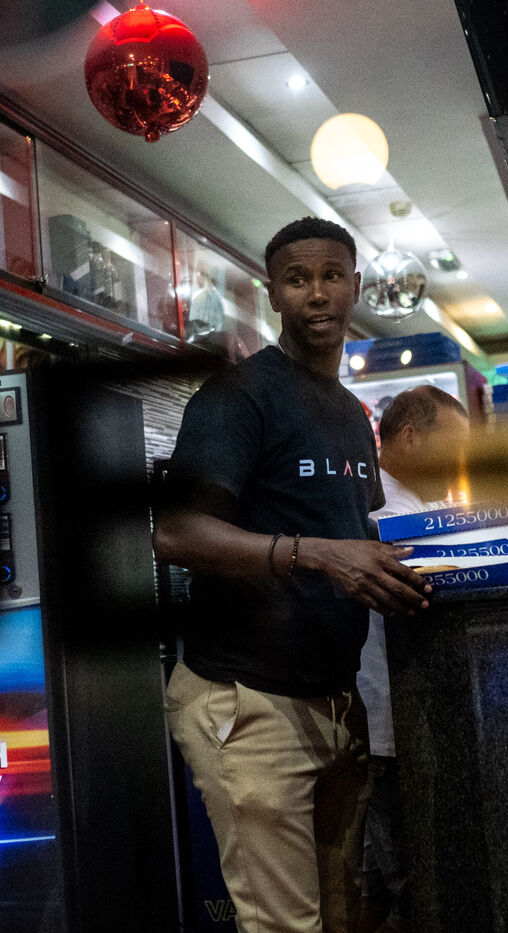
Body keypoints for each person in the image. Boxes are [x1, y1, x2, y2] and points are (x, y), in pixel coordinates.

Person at [153, 216, 434, 933]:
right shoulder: (238, 395)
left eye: (332, 276)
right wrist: (317, 553)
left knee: (342, 918)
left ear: (356, 287)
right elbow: (175, 532)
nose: (317, 293)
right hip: (248, 702)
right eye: (298, 279)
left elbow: (357, 534)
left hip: (336, 705)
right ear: (273, 292)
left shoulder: (349, 414)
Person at [356, 386, 470, 933]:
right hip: (392, 728)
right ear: (409, 438)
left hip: (396, 726)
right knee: (415, 883)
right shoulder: (387, 514)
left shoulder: (419, 506)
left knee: (378, 884)